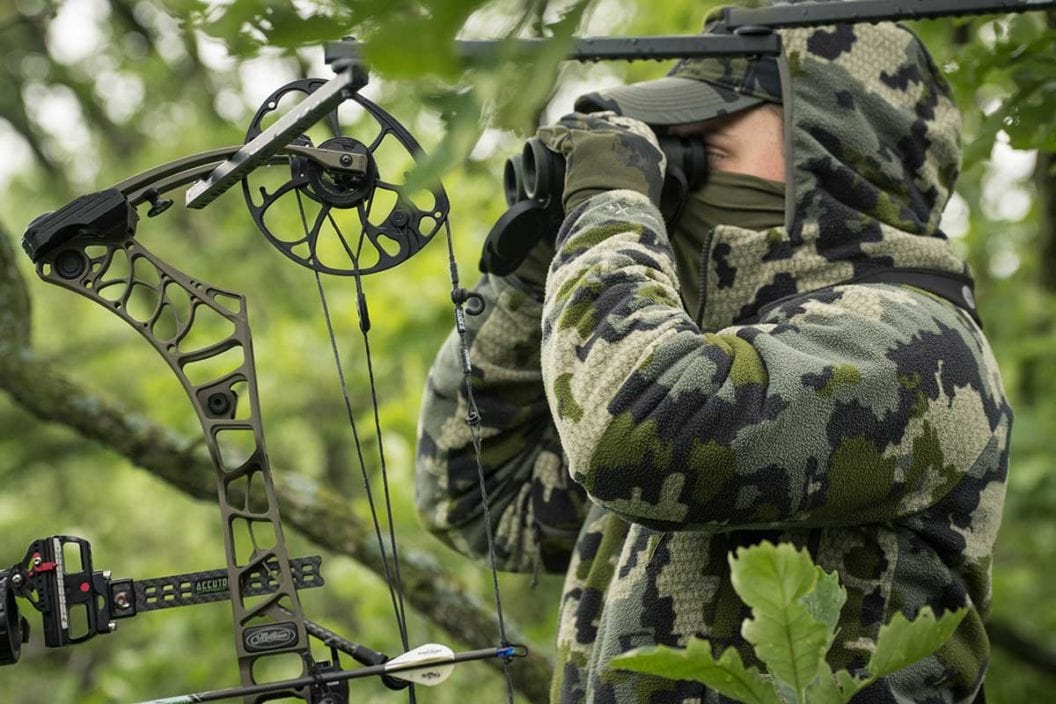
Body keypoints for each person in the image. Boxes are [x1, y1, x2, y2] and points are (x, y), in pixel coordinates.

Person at [416, 11, 1010, 704]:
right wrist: (532, 275)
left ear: (831, 142)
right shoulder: (697, 356)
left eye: (707, 140)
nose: (678, 165)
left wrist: (609, 209)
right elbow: (476, 499)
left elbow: (631, 434)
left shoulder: (917, 343)